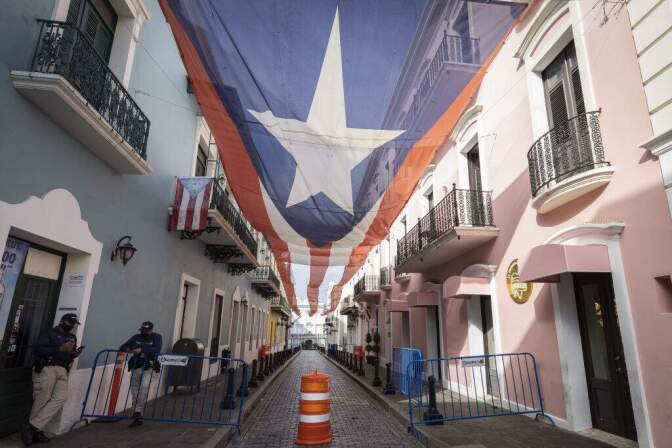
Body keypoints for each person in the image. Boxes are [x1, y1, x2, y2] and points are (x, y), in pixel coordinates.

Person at [21, 313, 84, 446]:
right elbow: (38, 350)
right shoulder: (49, 333)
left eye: (74, 324)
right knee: (42, 399)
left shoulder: (72, 337)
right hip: (47, 367)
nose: (71, 326)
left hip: (62, 369)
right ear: (62, 321)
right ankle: (37, 432)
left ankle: (31, 427)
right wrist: (59, 348)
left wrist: (74, 354)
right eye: (69, 323)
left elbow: (69, 354)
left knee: (61, 397)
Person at [119, 321, 162, 427]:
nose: (144, 332)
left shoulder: (157, 337)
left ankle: (138, 411)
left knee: (144, 387)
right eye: (143, 330)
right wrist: (129, 350)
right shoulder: (136, 337)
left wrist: (142, 350)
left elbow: (157, 349)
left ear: (151, 330)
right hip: (136, 366)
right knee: (134, 390)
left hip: (148, 366)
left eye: (146, 331)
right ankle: (137, 414)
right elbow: (123, 347)